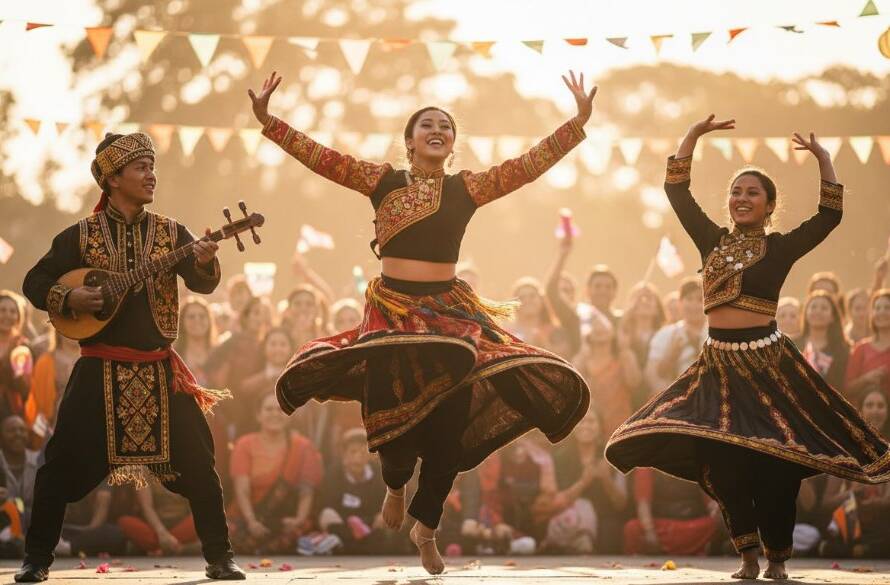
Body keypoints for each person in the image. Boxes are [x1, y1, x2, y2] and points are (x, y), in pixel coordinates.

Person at [250, 70, 592, 574]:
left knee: (449, 433)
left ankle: (426, 528)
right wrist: (269, 121)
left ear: (452, 145)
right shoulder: (382, 180)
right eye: (427, 125)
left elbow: (525, 167)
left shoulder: (467, 187)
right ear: (410, 141)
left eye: (446, 127)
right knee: (394, 429)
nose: (437, 130)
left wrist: (575, 123)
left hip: (451, 316)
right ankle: (394, 482)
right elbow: (322, 158)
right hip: (391, 311)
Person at [606, 115, 889, 580]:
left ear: (769, 206)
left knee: (776, 462)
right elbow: (676, 191)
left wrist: (824, 160)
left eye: (752, 193)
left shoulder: (779, 248)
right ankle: (747, 555)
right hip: (718, 367)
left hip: (769, 364)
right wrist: (693, 136)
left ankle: (777, 559)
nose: (741, 199)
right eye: (736, 192)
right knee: (723, 462)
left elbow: (829, 217)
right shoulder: (711, 241)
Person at [18, 131, 244, 581]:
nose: (151, 176)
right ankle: (36, 559)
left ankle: (220, 557)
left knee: (200, 463)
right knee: (59, 466)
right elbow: (33, 283)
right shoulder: (79, 236)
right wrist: (69, 297)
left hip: (160, 371)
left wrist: (202, 260)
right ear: (113, 179)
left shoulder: (170, 231)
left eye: (152, 167)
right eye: (141, 168)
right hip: (99, 367)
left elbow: (203, 285)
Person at [228, 393, 323, 555]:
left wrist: (299, 520)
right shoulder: (245, 444)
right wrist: (252, 522)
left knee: (301, 530)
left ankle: (266, 545)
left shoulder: (301, 446)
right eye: (268, 409)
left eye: (280, 410)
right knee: (229, 530)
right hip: (247, 518)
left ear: (289, 415)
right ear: (258, 415)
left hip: (285, 521)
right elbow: (241, 490)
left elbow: (306, 490)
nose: (274, 414)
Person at [547, 408, 628, 553]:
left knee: (611, 533)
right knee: (581, 508)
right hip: (570, 517)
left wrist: (606, 479)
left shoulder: (611, 455)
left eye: (591, 421)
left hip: (605, 518)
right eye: (581, 422)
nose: (586, 426)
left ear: (599, 427)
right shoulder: (561, 457)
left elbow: (621, 504)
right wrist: (584, 482)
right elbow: (556, 501)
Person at [315, 428, 392, 554]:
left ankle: (354, 545)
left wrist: (380, 514)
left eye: (363, 453)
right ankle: (355, 544)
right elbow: (326, 505)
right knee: (327, 514)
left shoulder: (380, 472)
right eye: (353, 452)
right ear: (344, 454)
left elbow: (387, 499)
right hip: (342, 523)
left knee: (387, 515)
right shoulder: (333, 473)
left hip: (371, 523)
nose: (358, 458)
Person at [643, 277, 707, 395]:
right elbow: (653, 375)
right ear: (680, 302)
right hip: (676, 401)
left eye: (700, 299)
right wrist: (671, 355)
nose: (694, 305)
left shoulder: (716, 333)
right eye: (689, 299)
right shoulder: (665, 334)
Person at [24, 329, 79, 450]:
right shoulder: (47, 361)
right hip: (53, 427)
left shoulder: (90, 360)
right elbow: (39, 402)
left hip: (84, 424)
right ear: (58, 331)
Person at [795, 290, 850, 391]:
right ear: (806, 313)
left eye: (824, 308)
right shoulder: (792, 344)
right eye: (813, 307)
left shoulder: (842, 350)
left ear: (832, 317)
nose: (818, 311)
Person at [845, 290, 890, 400]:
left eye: (887, 308)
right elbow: (847, 389)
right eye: (877, 308)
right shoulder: (861, 348)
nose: (881, 312)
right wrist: (866, 379)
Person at [0, 291, 32, 423]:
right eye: (2, 310)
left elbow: (25, 389)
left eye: (13, 311)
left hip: (11, 412)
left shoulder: (23, 347)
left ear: (19, 317)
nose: (7, 315)